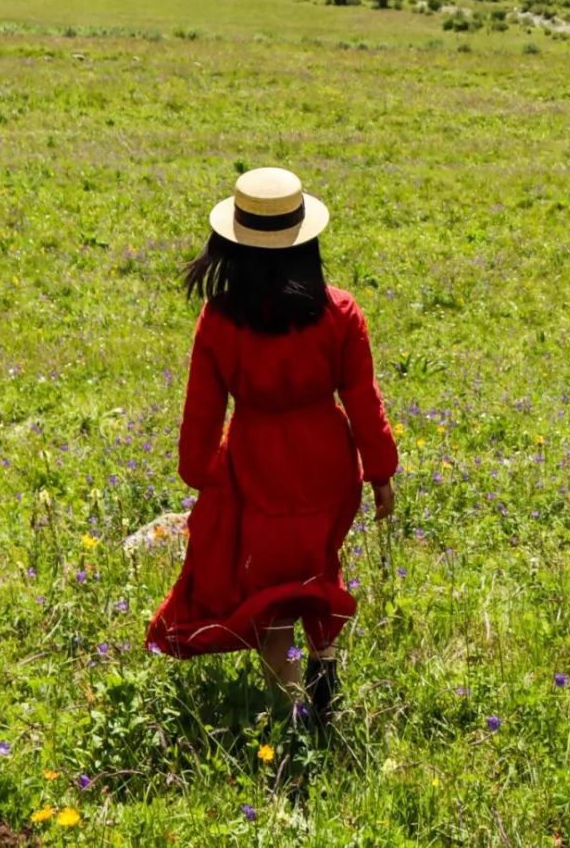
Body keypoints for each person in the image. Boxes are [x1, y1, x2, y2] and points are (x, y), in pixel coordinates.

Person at [146, 166, 398, 727]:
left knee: (274, 585)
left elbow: (202, 412)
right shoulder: (340, 313)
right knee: (316, 563)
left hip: (259, 466)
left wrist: (203, 473)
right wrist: (380, 471)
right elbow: (363, 398)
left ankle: (288, 707)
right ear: (307, 240)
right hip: (329, 467)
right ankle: (325, 661)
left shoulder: (219, 321)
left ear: (230, 246)